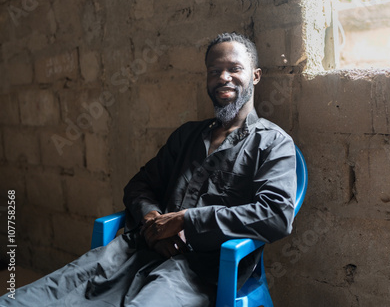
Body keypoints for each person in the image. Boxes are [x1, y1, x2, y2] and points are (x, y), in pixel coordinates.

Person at [1, 32, 296, 306]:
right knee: (31, 297)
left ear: (255, 76)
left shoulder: (272, 143)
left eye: (235, 69)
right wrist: (152, 220)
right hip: (139, 249)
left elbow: (276, 215)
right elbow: (140, 185)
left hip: (201, 267)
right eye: (213, 71)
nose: (223, 77)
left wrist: (185, 221)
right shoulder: (187, 136)